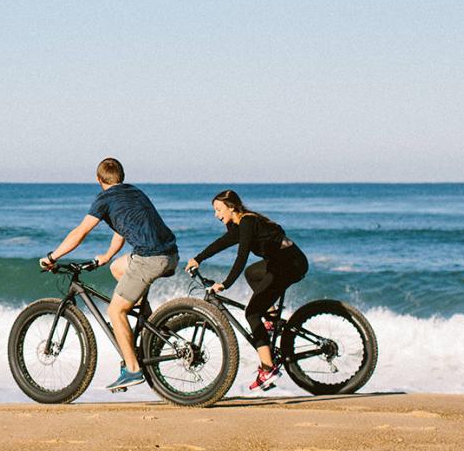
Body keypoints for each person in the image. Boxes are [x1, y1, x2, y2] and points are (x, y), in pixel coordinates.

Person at [41, 158, 179, 391]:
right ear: (121, 177)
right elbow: (123, 229)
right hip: (170, 254)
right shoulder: (134, 192)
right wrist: (106, 256)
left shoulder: (104, 199)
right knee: (117, 266)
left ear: (98, 180)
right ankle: (147, 320)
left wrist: (52, 257)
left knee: (115, 310)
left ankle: (133, 370)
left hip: (149, 258)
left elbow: (80, 232)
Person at [185, 189, 308, 391]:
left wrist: (225, 283)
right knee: (252, 273)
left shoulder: (248, 222)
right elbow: (222, 243)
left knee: (251, 313)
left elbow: (241, 257)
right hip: (281, 262)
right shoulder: (241, 225)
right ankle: (271, 315)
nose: (216, 215)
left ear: (232, 207)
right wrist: (199, 258)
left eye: (218, 209)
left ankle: (268, 369)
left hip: (290, 263)